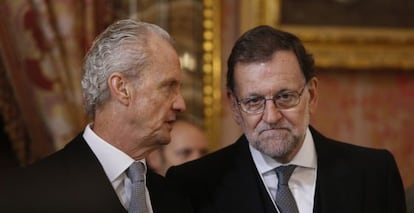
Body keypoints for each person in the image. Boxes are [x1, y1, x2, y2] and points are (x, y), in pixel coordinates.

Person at [166, 25, 406, 213]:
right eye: (253, 101)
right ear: (235, 107)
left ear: (311, 95)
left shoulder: (374, 174)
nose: (271, 117)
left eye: (285, 96)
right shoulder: (192, 186)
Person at [0, 19, 192, 213]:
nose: (180, 104)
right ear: (122, 88)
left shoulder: (173, 197)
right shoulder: (28, 194)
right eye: (168, 88)